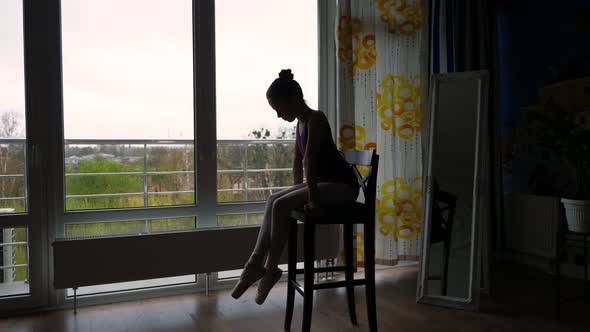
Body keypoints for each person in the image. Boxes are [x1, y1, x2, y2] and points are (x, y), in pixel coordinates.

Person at [231, 69, 359, 305]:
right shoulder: (300, 124)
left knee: (282, 204)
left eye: (279, 109)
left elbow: (309, 160)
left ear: (294, 100)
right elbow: (297, 163)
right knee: (274, 200)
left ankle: (270, 271)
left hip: (344, 187)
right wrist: (296, 191)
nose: (279, 115)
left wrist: (312, 200)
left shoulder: (316, 119)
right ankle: (255, 263)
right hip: (324, 183)